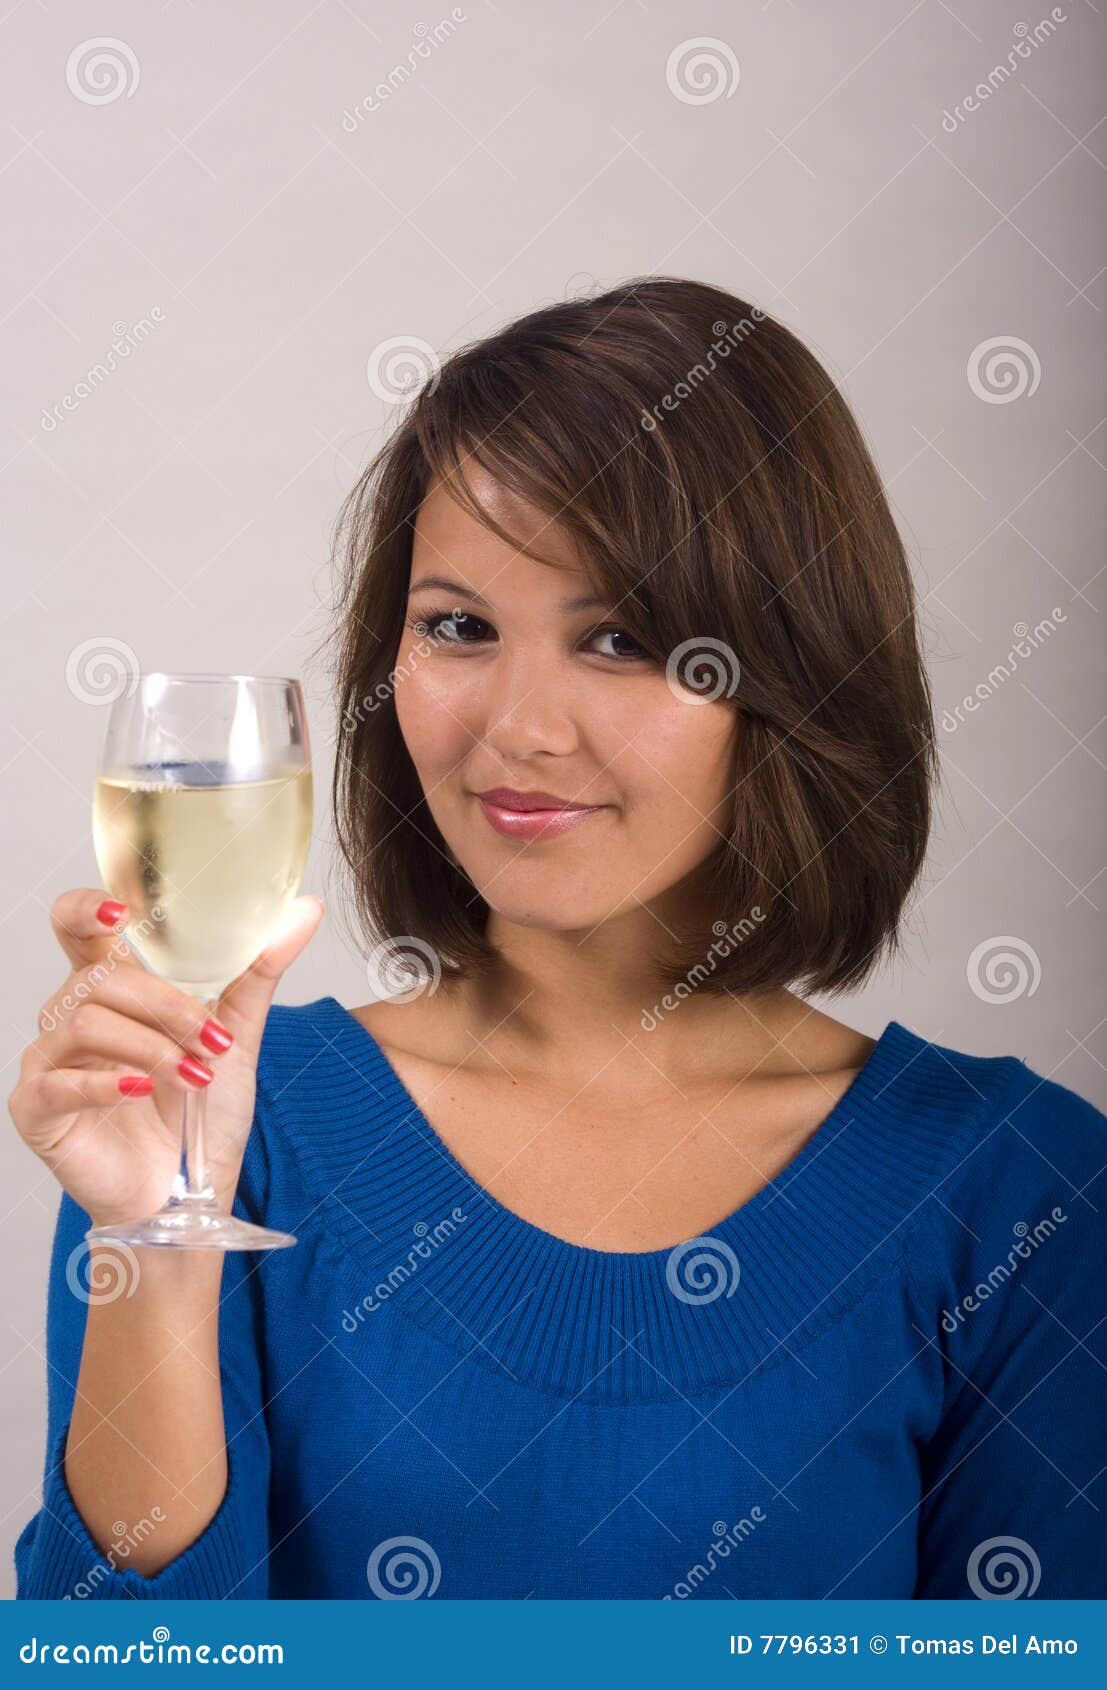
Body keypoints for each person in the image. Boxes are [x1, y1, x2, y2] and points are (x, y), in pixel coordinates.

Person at [12, 278, 1106, 1600]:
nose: (520, 727)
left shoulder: (1018, 1190)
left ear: (791, 675)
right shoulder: (227, 1131)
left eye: (623, 638)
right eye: (457, 626)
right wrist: (153, 1238)